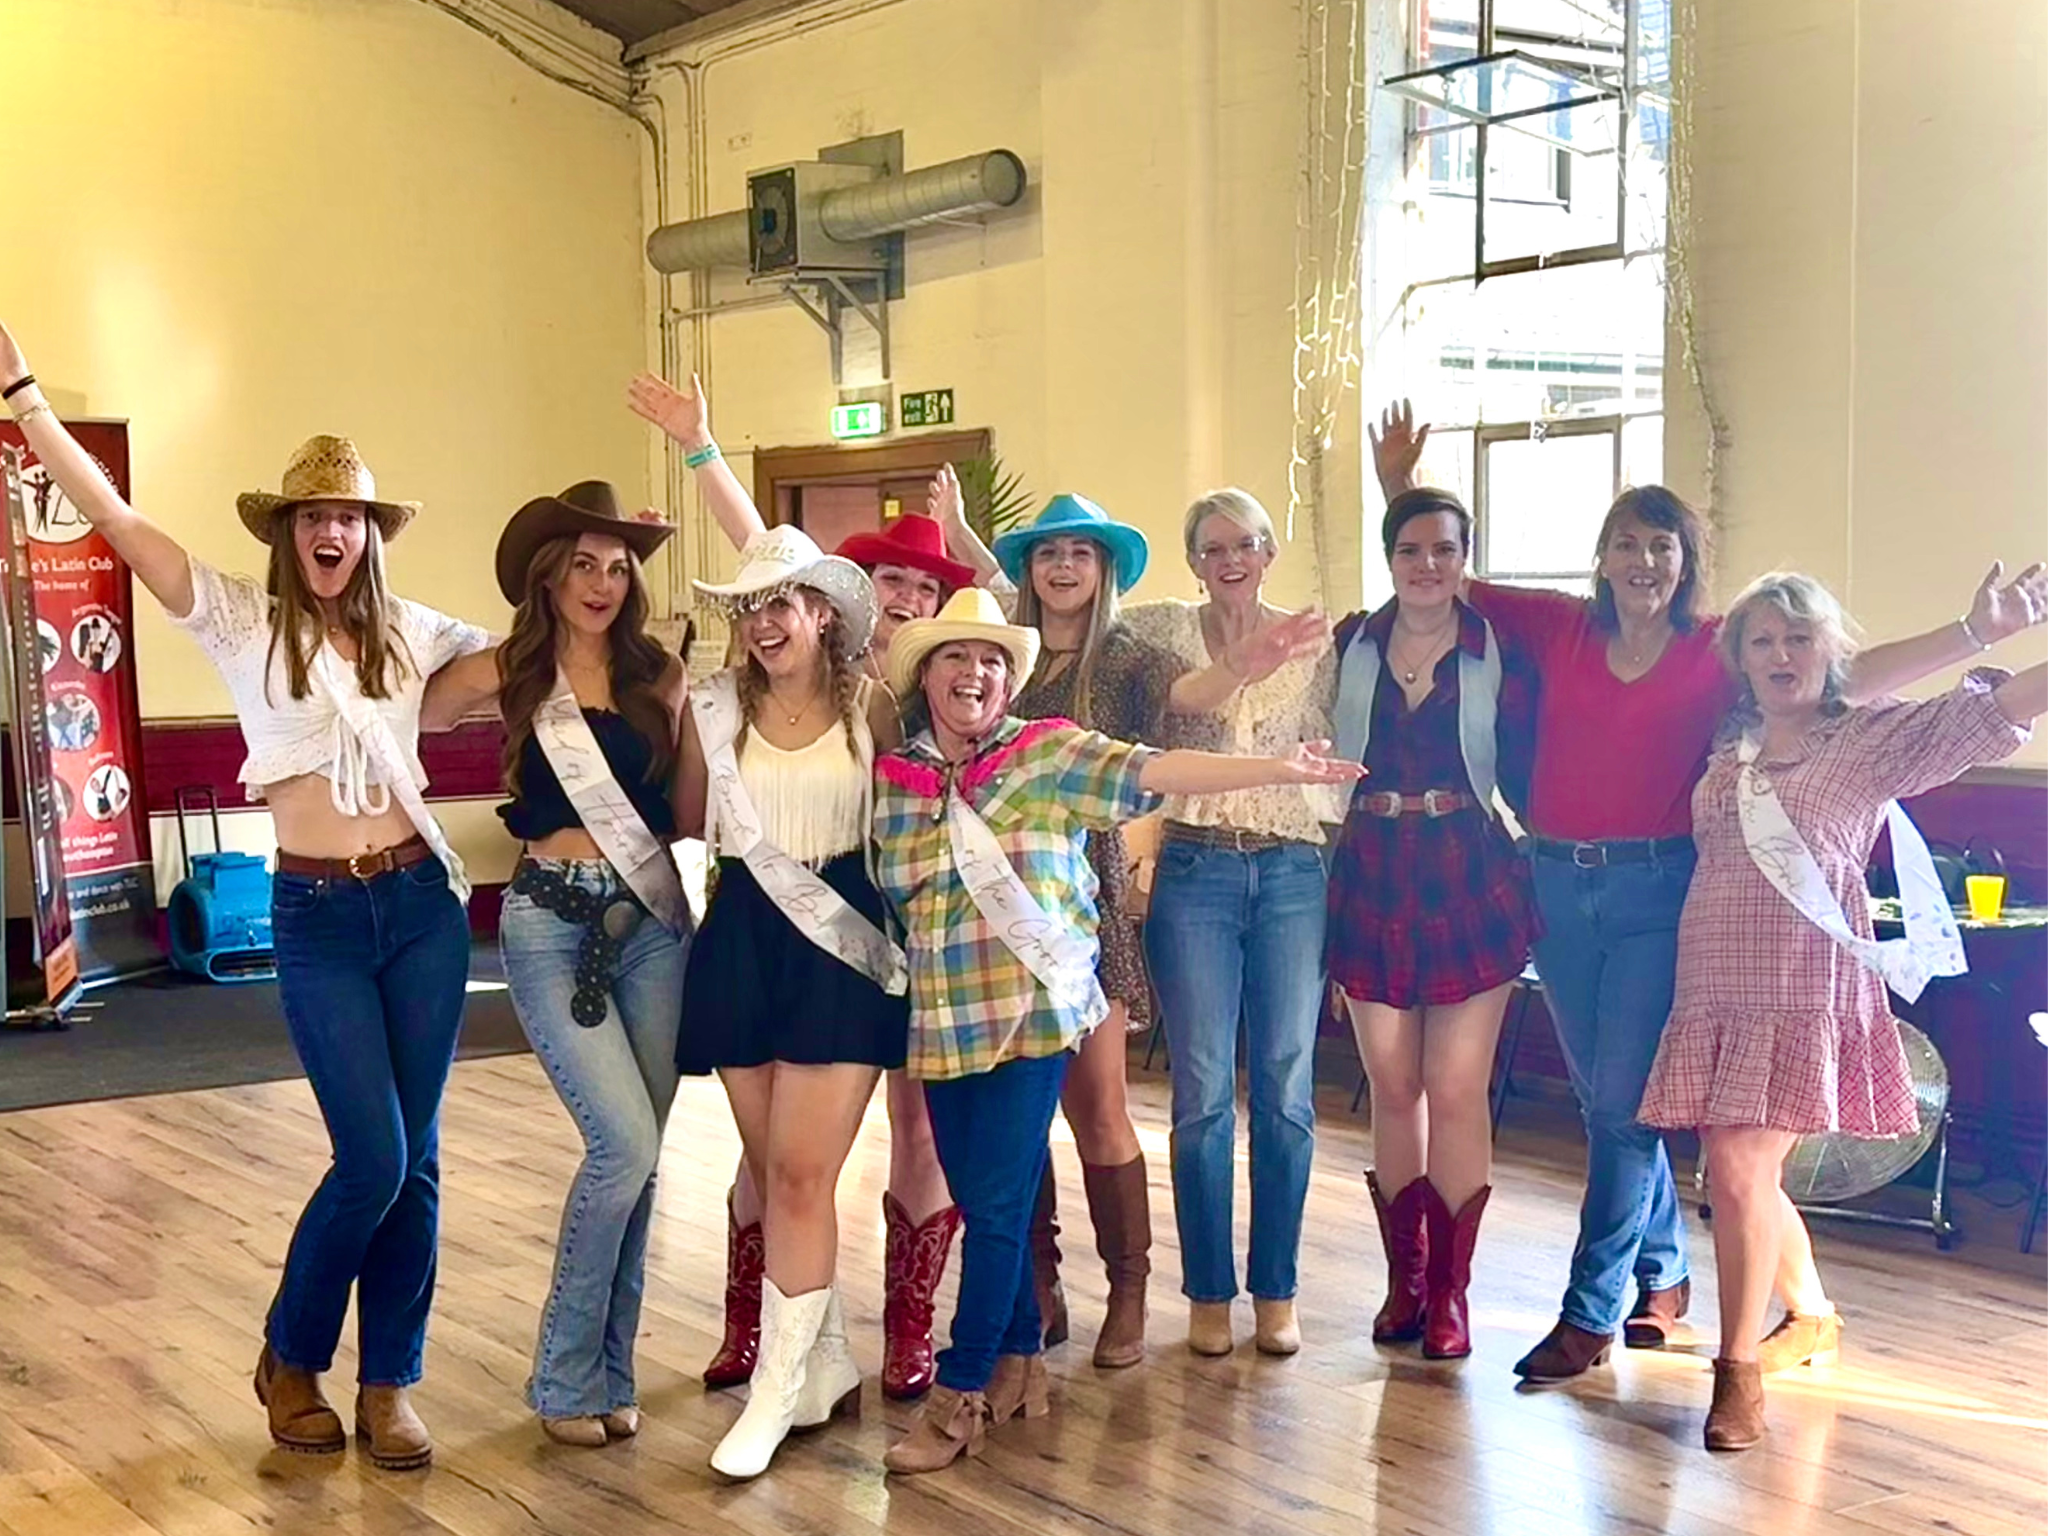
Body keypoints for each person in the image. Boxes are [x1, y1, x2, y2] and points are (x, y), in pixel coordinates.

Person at [1369, 400, 2048, 1383]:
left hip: (1659, 898)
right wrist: (1396, 485)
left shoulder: (1714, 649)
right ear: (1599, 558)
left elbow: (1843, 674)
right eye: (1625, 545)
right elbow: (1442, 575)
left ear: (1684, 563)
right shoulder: (1557, 628)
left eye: (1661, 546)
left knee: (1614, 1111)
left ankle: (1589, 1308)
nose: (1643, 561)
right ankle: (1665, 1274)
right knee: (1619, 1100)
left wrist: (1970, 633)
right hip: (1554, 891)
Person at [1, 323, 490, 1470]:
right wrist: (24, 400)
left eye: (349, 518)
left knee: (417, 1161)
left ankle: (387, 1386)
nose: (331, 532)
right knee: (370, 1156)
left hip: (420, 908)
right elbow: (120, 529)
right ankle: (291, 1354)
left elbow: (512, 676)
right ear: (285, 534)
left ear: (371, 537)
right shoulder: (238, 620)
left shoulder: (417, 636)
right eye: (312, 517)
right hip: (317, 917)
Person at [871, 589, 1364, 1472]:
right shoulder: (895, 780)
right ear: (927, 677)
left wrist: (1282, 772)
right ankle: (1024, 1359)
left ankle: (961, 1391)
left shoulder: (1044, 753)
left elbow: (1163, 768)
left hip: (1034, 1018)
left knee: (987, 1209)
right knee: (1005, 1202)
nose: (973, 673)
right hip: (941, 1026)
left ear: (1009, 679)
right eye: (955, 657)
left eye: (990, 659)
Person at [1635, 573, 2044, 1450]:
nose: (1782, 656)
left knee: (1740, 1171)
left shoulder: (1869, 741)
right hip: (1715, 975)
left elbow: (2003, 704)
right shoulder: (1725, 738)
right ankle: (1812, 1315)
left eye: (1799, 638)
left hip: (1804, 981)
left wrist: (1980, 631)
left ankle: (1736, 1371)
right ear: (1740, 660)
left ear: (1832, 652)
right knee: (1741, 1172)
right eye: (1762, 641)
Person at [628, 370, 968, 1400]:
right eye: (892, 583)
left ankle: (889, 1335)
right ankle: (783, 1339)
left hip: (875, 929)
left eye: (924, 586)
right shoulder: (759, 679)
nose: (908, 597)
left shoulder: (910, 686)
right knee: (773, 1159)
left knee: (894, 1140)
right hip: (753, 923)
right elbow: (757, 567)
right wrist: (702, 451)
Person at [421, 482, 689, 1447]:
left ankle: (614, 1375)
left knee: (647, 1163)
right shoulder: (508, 672)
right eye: (584, 563)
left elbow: (690, 806)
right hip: (546, 920)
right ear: (549, 575)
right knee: (622, 1146)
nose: (603, 583)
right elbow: (384, 716)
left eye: (619, 568)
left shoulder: (659, 674)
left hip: (653, 924)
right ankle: (566, 1380)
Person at [675, 524, 907, 1479]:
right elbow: (692, 819)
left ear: (823, 614)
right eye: (750, 607)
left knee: (805, 1173)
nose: (764, 622)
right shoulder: (716, 709)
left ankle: (774, 1392)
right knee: (773, 1175)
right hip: (743, 938)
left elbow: (906, 828)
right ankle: (825, 1363)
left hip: (841, 945)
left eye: (781, 604)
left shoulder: (873, 708)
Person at [946, 492, 1177, 1368]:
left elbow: (1164, 748)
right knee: (1018, 1115)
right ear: (1030, 572)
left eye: (1082, 552)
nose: (1065, 567)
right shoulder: (1007, 660)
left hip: (1085, 896)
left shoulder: (1134, 660)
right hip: (996, 902)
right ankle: (1036, 1287)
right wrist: (966, 536)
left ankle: (1128, 1292)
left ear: (1104, 566)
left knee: (1099, 1107)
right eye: (1049, 555)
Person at [1121, 489, 1339, 1356]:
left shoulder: (1315, 642)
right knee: (1202, 1093)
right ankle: (1210, 1292)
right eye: (1213, 547)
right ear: (1194, 561)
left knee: (1285, 1090)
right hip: (1197, 866)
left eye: (1246, 542)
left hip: (1291, 868)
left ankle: (1276, 1290)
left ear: (1271, 548)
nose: (1231, 558)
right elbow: (1065, 604)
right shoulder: (1161, 631)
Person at [1326, 486, 1540, 1361]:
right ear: (1390, 559)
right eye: (1411, 550)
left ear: (1465, 558)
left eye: (1444, 550)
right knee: (1393, 1084)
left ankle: (1451, 1292)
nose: (1428, 566)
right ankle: (1404, 1282)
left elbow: (1529, 767)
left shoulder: (1497, 650)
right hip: (1370, 866)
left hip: (1468, 867)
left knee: (1455, 1086)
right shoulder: (1351, 645)